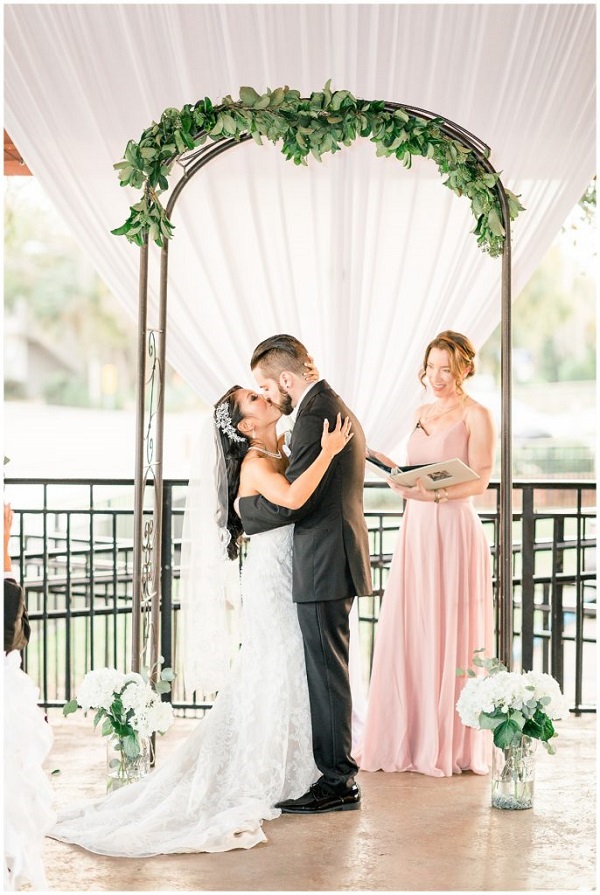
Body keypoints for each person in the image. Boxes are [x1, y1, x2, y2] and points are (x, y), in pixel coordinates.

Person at [49, 385, 354, 856]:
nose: (266, 396)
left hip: (287, 572)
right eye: (255, 398)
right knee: (274, 662)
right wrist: (330, 452)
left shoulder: (284, 447)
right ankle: (267, 765)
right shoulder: (255, 463)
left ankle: (304, 764)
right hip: (270, 579)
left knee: (291, 665)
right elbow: (293, 498)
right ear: (247, 426)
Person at [239, 334, 373, 814]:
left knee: (327, 673)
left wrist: (244, 514)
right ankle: (335, 775)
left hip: (323, 560)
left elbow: (297, 499)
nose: (269, 396)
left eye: (266, 387)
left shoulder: (316, 414)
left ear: (287, 379)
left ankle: (338, 781)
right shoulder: (326, 404)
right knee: (327, 670)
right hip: (332, 556)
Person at [357, 330, 496, 777]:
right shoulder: (420, 413)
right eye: (432, 367)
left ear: (464, 370)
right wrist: (398, 476)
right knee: (413, 622)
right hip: (416, 529)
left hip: (453, 526)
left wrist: (433, 497)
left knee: (449, 625)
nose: (437, 377)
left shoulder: (477, 415)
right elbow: (418, 470)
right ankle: (412, 734)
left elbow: (480, 481)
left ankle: (450, 741)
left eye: (447, 369)